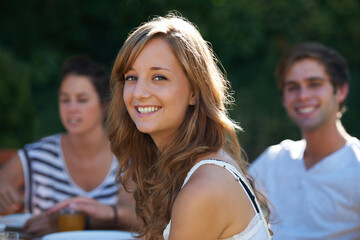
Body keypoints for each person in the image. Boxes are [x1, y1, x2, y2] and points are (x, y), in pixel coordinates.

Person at [106, 13, 272, 240]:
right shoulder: (173, 170)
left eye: (159, 77)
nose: (140, 93)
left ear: (194, 92)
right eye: (131, 78)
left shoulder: (204, 187)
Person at [0, 56, 137, 235]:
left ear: (104, 105)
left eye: (82, 100)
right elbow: (2, 183)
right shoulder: (37, 155)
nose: (71, 108)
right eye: (65, 99)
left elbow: (133, 217)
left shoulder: (128, 156)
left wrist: (70, 223)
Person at [248, 42, 360, 239]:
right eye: (292, 87)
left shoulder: (356, 166)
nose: (303, 96)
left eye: (315, 84)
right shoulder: (274, 160)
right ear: (283, 99)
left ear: (341, 90)